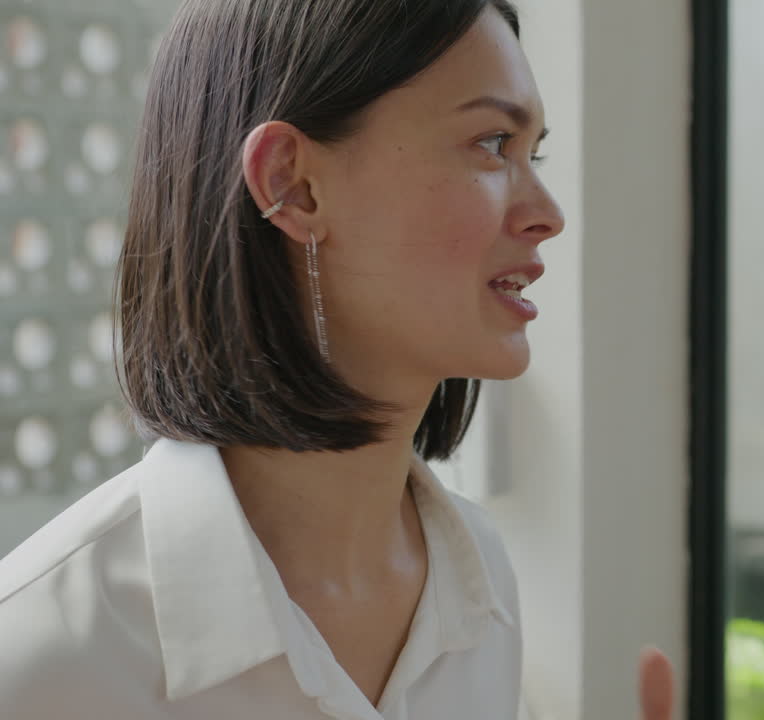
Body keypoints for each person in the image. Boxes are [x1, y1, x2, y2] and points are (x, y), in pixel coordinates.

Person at [0, 0, 674, 717]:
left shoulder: (479, 588)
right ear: (294, 183)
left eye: (531, 152)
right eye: (492, 142)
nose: (548, 212)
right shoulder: (46, 657)